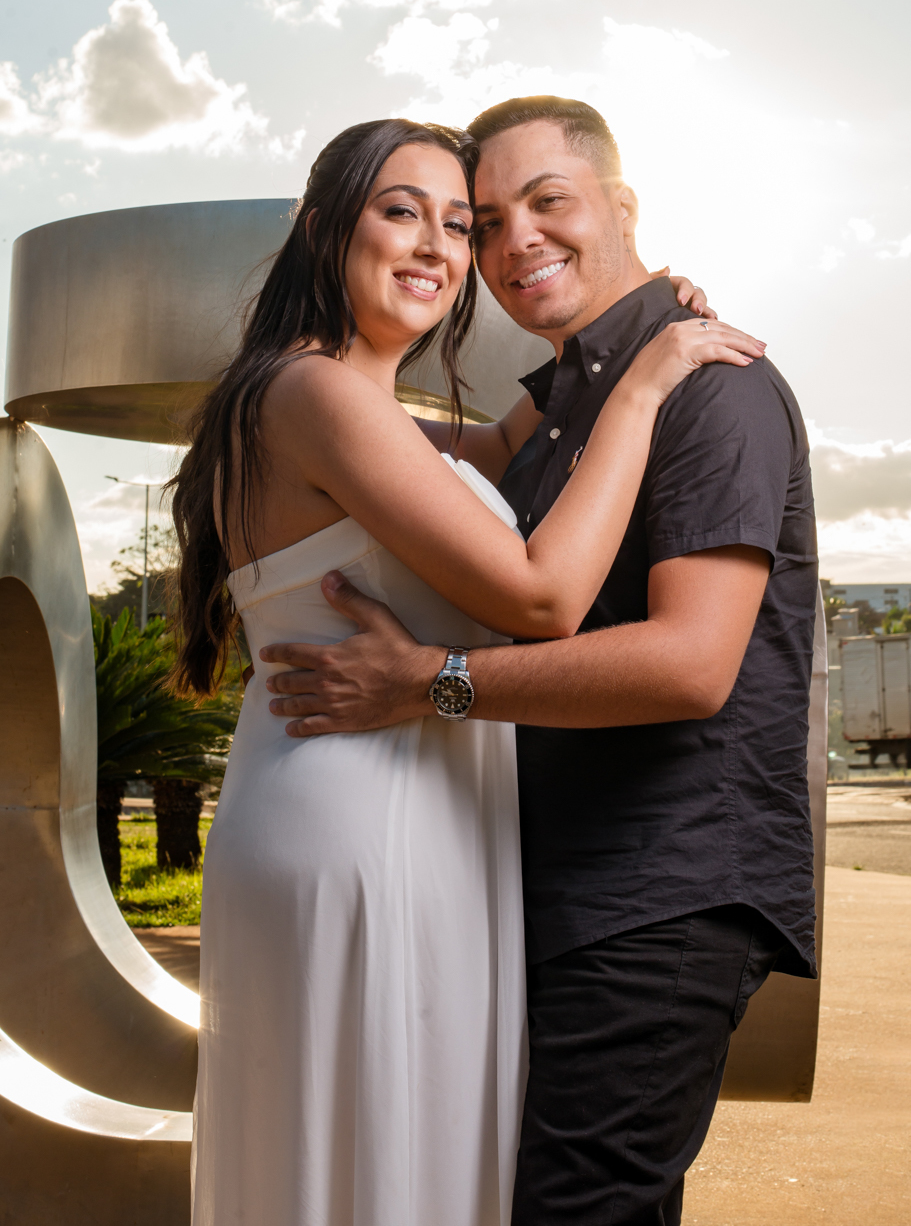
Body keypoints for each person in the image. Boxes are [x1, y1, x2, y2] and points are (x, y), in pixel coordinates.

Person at [169, 114, 761, 1226]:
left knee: (361, 1159)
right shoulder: (319, 395)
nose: (438, 248)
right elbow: (541, 597)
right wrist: (642, 383)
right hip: (368, 813)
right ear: (321, 228)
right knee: (388, 1163)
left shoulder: (339, 404)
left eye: (459, 225)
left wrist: (621, 325)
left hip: (373, 798)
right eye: (403, 212)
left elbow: (487, 456)